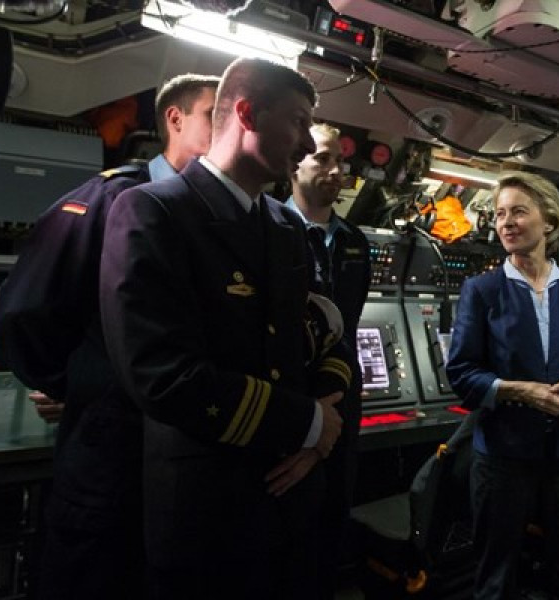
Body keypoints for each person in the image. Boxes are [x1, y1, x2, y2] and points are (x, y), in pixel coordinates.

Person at [98, 57, 347, 600]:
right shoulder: (152, 212)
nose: (307, 145)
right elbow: (161, 375)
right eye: (298, 122)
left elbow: (324, 337)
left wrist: (320, 430)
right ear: (247, 112)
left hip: (292, 496)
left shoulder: (284, 227)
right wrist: (306, 422)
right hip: (207, 510)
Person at [0, 73, 219, 600]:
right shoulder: (113, 197)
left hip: (184, 460)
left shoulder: (219, 218)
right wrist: (79, 381)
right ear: (175, 118)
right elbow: (27, 306)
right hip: (109, 457)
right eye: (215, 113)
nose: (228, 125)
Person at [446, 172, 559, 600]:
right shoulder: (481, 290)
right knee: (495, 576)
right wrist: (520, 391)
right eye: (500, 214)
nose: (506, 222)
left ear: (550, 222)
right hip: (504, 454)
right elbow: (461, 372)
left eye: (519, 211)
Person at [285, 122, 371, 598]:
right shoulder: (268, 229)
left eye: (341, 162)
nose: (336, 170)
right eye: (322, 159)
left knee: (334, 514)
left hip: (346, 396)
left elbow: (350, 324)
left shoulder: (355, 241)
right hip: (292, 398)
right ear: (293, 161)